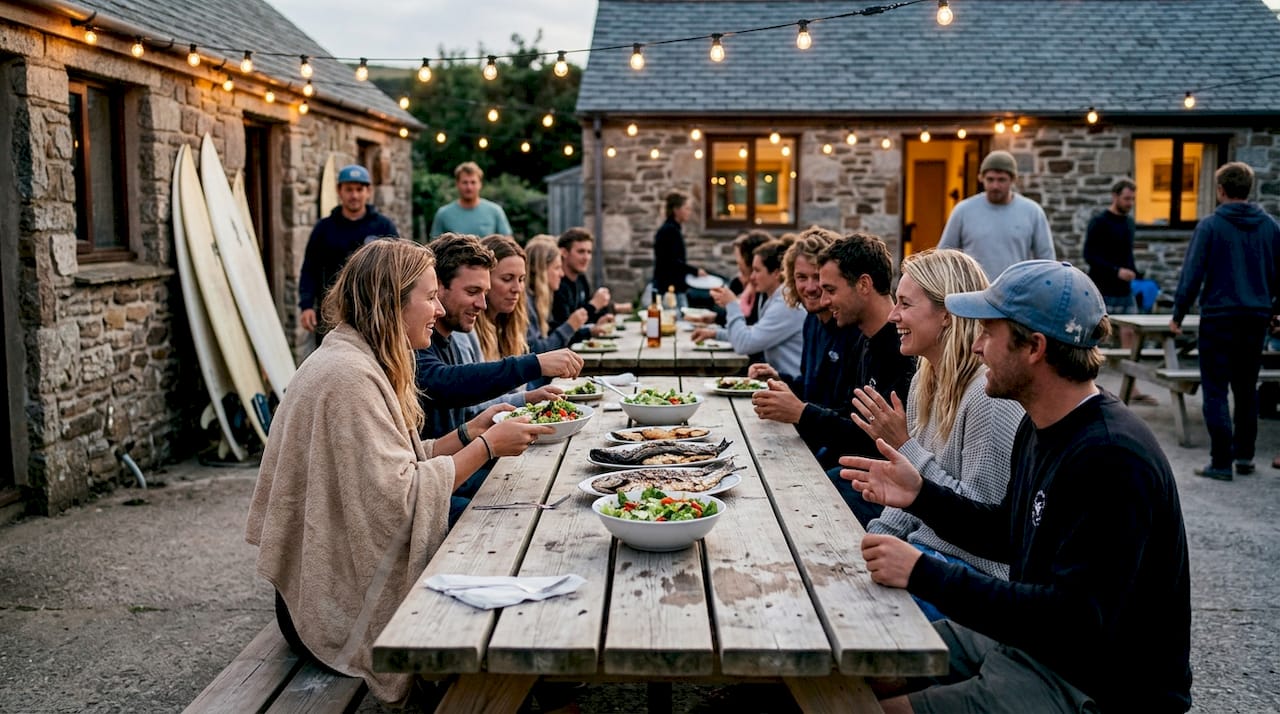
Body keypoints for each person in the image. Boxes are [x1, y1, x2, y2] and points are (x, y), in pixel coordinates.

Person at [843, 259, 1191, 714]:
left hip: (1095, 682)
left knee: (862, 710)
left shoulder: (1111, 457)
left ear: (1035, 348)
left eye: (988, 332)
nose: (976, 346)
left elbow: (1074, 618)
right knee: (854, 671)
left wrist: (923, 572)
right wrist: (921, 495)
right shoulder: (1041, 424)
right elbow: (1007, 533)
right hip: (1033, 644)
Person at [245, 239, 552, 706]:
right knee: (491, 536)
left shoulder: (359, 358)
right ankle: (503, 678)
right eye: (429, 297)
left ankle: (517, 674)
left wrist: (470, 432)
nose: (438, 309)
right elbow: (399, 498)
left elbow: (402, 459)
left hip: (324, 583)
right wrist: (488, 447)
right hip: (324, 605)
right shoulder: (347, 377)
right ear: (391, 302)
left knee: (500, 523)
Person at [848, 249, 1024, 621]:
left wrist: (907, 449)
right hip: (926, 556)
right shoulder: (924, 382)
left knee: (858, 615)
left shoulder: (987, 395)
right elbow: (907, 498)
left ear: (946, 314)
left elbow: (980, 520)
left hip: (970, 577)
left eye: (905, 304)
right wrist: (875, 539)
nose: (893, 315)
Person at [758, 233, 916, 518]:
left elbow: (874, 440)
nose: (823, 298)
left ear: (864, 285)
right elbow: (850, 415)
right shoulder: (865, 340)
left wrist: (803, 413)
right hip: (858, 472)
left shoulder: (901, 351)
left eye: (830, 289)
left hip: (883, 490)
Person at [414, 234, 582, 442]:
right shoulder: (416, 342)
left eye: (484, 293)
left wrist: (525, 399)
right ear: (438, 288)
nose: (482, 304)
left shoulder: (447, 336)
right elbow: (443, 384)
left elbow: (463, 412)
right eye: (472, 291)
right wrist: (534, 364)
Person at [1171, 161, 1280, 481]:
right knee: (1246, 388)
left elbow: (1192, 274)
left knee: (1216, 389)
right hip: (1255, 318)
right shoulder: (1270, 227)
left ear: (1220, 190)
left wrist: (1178, 314)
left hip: (1218, 317)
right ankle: (1244, 456)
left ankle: (1221, 462)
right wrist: (1275, 311)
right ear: (1249, 188)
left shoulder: (1210, 226)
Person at [298, 164, 398, 341]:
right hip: (332, 312)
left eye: (359, 189)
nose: (354, 195)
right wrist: (306, 305)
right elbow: (310, 269)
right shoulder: (324, 229)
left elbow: (396, 269)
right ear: (339, 191)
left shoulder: (384, 227)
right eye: (349, 190)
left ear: (368, 191)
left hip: (374, 310)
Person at [1084, 178, 1157, 404]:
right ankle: (1087, 389)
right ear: (1114, 196)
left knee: (1130, 337)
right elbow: (1090, 255)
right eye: (1126, 198)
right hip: (1102, 289)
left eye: (1133, 199)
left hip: (1124, 290)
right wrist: (1116, 271)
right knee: (1094, 339)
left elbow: (1127, 255)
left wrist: (1134, 272)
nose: (1130, 203)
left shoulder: (1129, 223)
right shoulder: (1099, 222)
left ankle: (1132, 389)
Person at [692, 238, 807, 376]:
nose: (752, 277)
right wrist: (715, 333)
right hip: (779, 381)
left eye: (757, 270)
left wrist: (731, 304)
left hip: (791, 385)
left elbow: (744, 344)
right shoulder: (775, 298)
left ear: (776, 273)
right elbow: (755, 333)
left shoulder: (785, 304)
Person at [938, 150, 1055, 280]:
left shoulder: (1032, 212)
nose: (995, 186)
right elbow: (943, 256)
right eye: (990, 179)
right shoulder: (963, 211)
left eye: (1001, 180)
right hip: (975, 289)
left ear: (1013, 180)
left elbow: (1047, 261)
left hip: (1016, 289)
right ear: (981, 178)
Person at [524, 234, 603, 353]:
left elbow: (551, 335)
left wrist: (587, 330)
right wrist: (570, 326)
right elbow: (537, 352)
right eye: (557, 268)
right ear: (541, 269)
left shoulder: (541, 299)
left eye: (589, 252)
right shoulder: (527, 302)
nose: (561, 274)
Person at [475, 235, 529, 361]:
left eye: (521, 279)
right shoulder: (468, 331)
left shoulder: (509, 325)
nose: (517, 289)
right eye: (507, 279)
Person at [652, 190, 707, 310]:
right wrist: (695, 271)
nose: (689, 212)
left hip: (672, 287)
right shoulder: (669, 231)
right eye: (686, 208)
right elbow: (671, 262)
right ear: (676, 210)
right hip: (669, 289)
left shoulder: (672, 230)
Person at [550, 227, 613, 331]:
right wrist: (594, 305)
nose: (586, 257)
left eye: (589, 252)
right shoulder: (557, 284)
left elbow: (585, 319)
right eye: (581, 252)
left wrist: (599, 320)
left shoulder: (581, 279)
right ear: (564, 253)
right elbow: (566, 327)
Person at [429, 162, 512, 238]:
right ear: (457, 184)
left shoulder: (495, 211)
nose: (469, 187)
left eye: (473, 182)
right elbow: (433, 246)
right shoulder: (443, 214)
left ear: (480, 184)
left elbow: (508, 244)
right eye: (465, 182)